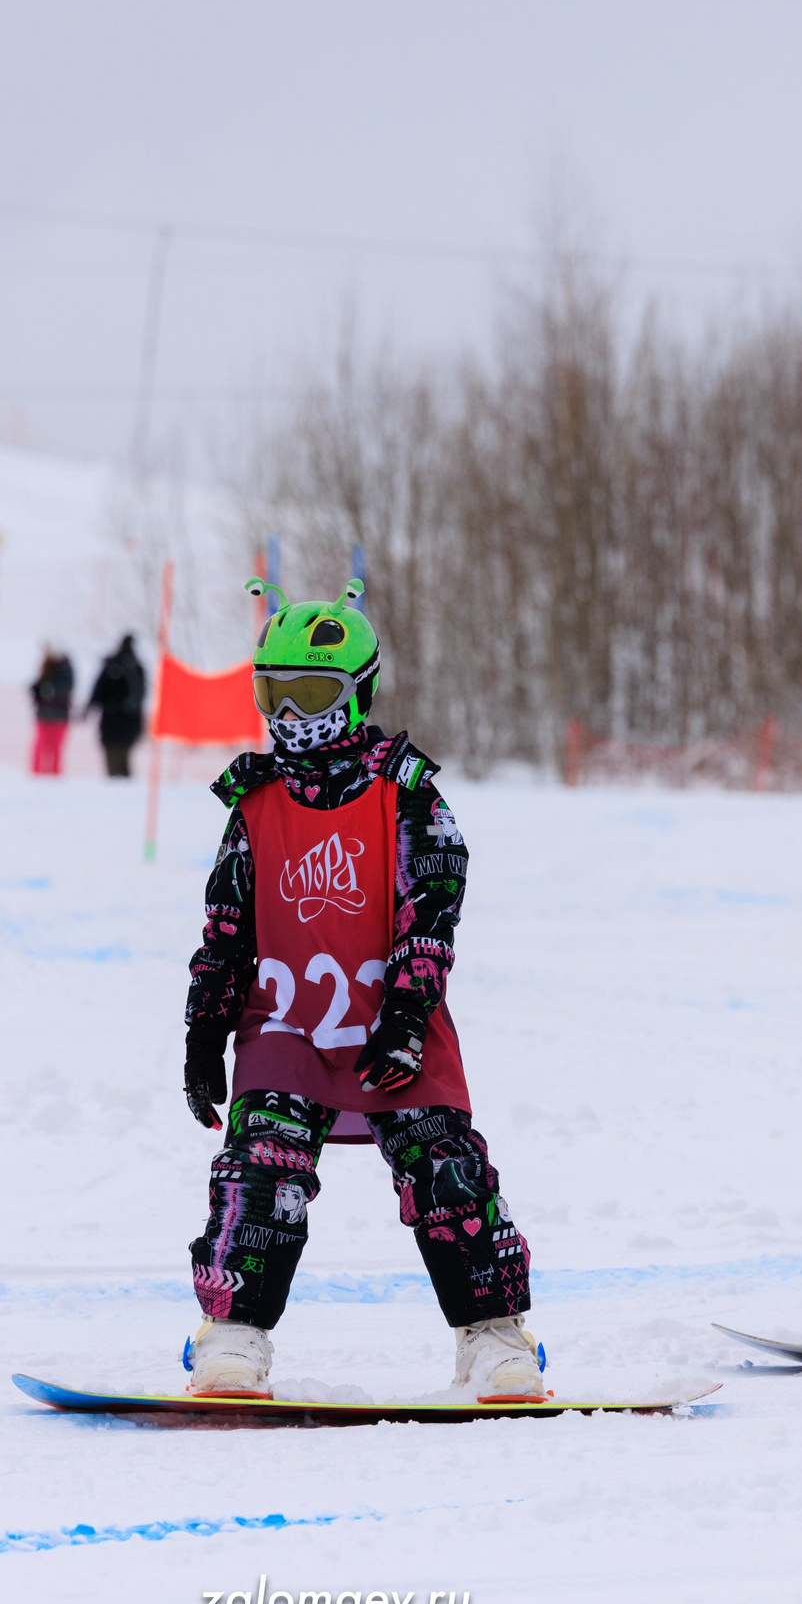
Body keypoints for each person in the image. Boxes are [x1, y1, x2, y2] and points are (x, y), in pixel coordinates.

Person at [179, 579, 539, 1401]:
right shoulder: (256, 802)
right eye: (273, 691)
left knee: (444, 1170)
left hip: (391, 1026)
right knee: (259, 1171)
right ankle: (232, 1332)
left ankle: (493, 1334)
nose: (288, 711)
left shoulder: (408, 796)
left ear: (355, 693)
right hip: (287, 1028)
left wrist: (409, 1013)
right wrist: (205, 1028)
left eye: (309, 692)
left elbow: (431, 914)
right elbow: (227, 930)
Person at [84, 634, 148, 778]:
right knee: (124, 758)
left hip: (111, 720)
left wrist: (89, 708)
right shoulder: (137, 667)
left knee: (112, 759)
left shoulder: (112, 664)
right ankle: (123, 789)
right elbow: (142, 694)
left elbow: (98, 690)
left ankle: (116, 789)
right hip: (130, 721)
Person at [29, 646, 75, 774]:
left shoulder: (65, 669)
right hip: (45, 715)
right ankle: (36, 775)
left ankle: (54, 777)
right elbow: (38, 690)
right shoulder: (46, 667)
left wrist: (51, 691)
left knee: (55, 749)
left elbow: (65, 690)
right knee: (41, 747)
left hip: (59, 716)